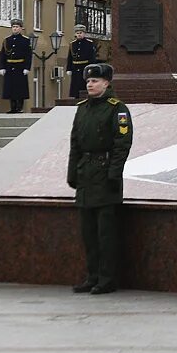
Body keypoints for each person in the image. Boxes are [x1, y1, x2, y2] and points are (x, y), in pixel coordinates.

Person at [67, 63, 133, 294]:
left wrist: (114, 173)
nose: (90, 84)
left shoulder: (117, 109)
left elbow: (122, 144)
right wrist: (72, 172)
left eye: (95, 81)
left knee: (105, 233)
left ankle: (106, 278)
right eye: (88, 81)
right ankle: (92, 275)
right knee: (88, 233)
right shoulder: (83, 108)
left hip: (105, 176)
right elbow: (75, 142)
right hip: (86, 175)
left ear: (106, 83)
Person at [0, 19, 33, 113]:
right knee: (10, 88)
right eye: (13, 27)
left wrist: (27, 67)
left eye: (17, 27)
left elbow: (28, 55)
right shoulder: (7, 40)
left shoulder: (25, 40)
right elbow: (3, 55)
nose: (15, 29)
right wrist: (2, 67)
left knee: (20, 88)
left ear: (21, 28)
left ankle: (19, 107)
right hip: (9, 66)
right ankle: (13, 107)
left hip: (20, 67)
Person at [66, 25, 99, 101]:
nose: (79, 34)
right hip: (75, 67)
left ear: (84, 34)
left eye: (81, 33)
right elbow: (70, 57)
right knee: (75, 85)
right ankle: (76, 98)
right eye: (77, 33)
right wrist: (69, 68)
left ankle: (86, 98)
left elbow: (92, 57)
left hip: (85, 67)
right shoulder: (72, 44)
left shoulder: (89, 43)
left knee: (84, 84)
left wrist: (91, 67)